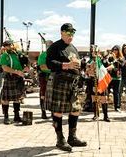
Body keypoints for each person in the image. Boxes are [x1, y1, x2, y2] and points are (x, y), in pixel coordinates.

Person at [45, 23, 87, 152]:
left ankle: (72, 138)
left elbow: (77, 64)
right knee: (58, 111)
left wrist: (86, 69)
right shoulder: (55, 46)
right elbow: (49, 63)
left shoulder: (73, 47)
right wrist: (66, 65)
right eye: (69, 33)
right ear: (62, 33)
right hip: (60, 82)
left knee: (75, 109)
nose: (71, 36)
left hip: (73, 83)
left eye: (73, 33)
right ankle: (60, 139)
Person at [0, 40, 26, 125]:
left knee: (18, 98)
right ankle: (6, 117)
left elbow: (24, 64)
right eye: (7, 45)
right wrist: (17, 72)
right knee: (6, 99)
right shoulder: (4, 55)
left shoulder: (18, 54)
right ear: (5, 47)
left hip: (19, 78)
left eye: (10, 45)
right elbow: (4, 68)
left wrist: (25, 69)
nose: (9, 47)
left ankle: (16, 116)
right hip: (10, 77)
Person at [37, 40, 53, 119]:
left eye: (50, 45)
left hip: (53, 77)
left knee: (53, 95)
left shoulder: (56, 55)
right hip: (44, 76)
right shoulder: (43, 55)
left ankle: (53, 112)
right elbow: (42, 67)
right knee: (43, 95)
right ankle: (43, 112)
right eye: (48, 45)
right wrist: (53, 69)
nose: (49, 46)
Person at [108, 45, 123, 112]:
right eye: (114, 49)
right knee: (106, 92)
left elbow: (122, 65)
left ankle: (117, 107)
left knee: (116, 93)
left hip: (117, 78)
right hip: (109, 77)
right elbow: (107, 64)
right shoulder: (110, 58)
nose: (115, 51)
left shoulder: (121, 58)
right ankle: (104, 105)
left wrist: (115, 59)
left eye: (116, 49)